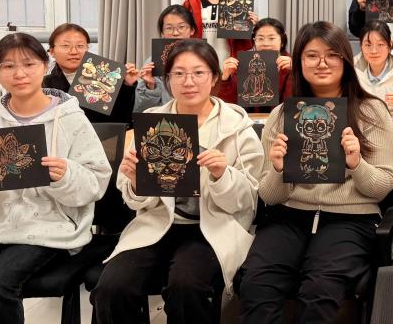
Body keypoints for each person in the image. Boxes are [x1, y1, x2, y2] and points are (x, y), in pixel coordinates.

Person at [0, 33, 111, 324]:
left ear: (45, 65)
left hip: (48, 227)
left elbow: (97, 182)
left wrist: (66, 175)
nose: (19, 74)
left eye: (29, 64)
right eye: (8, 66)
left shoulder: (71, 119)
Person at [92, 39, 264, 323]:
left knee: (187, 287)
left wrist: (223, 175)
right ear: (168, 79)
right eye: (179, 73)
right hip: (157, 222)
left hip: (213, 227)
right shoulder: (152, 121)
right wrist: (134, 180)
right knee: (112, 288)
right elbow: (134, 200)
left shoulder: (237, 127)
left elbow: (248, 200)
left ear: (214, 77)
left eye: (199, 73)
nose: (189, 82)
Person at [236, 22, 393, 323]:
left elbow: (382, 188)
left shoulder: (371, 111)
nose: (322, 63)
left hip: (351, 219)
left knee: (318, 289)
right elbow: (268, 196)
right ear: (298, 61)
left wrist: (356, 164)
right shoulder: (281, 115)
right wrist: (280, 170)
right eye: (311, 55)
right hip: (288, 216)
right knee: (256, 285)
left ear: (345, 60)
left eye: (332, 54)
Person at [183, 0, 256, 104]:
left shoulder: (237, 3)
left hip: (228, 64)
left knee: (227, 106)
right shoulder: (190, 3)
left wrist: (252, 26)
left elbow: (246, 44)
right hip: (200, 63)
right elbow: (183, 36)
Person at [44, 22, 138, 123]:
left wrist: (127, 85)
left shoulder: (104, 76)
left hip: (102, 133)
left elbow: (122, 119)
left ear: (87, 48)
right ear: (52, 51)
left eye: (80, 46)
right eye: (66, 46)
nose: (74, 51)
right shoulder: (44, 84)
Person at [221, 17, 294, 112]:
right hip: (250, 119)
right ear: (254, 41)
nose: (265, 44)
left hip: (281, 119)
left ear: (282, 41)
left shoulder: (292, 65)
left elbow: (294, 106)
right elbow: (229, 106)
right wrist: (225, 79)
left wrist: (295, 73)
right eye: (260, 38)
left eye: (271, 38)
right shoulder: (243, 64)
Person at [135, 4, 197, 113]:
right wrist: (150, 86)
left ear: (192, 30)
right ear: (162, 32)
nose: (175, 33)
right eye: (169, 28)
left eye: (181, 27)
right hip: (165, 119)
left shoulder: (203, 59)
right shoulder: (153, 62)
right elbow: (141, 110)